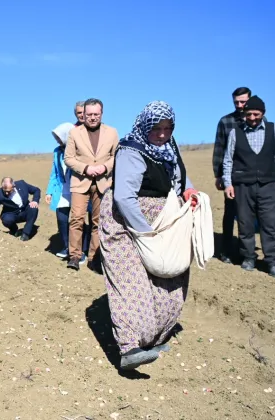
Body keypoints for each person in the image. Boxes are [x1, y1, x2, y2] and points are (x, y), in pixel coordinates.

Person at [99, 101, 199, 370]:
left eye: (168, 128)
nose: (163, 134)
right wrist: (146, 233)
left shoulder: (169, 146)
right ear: (145, 126)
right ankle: (130, 347)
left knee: (167, 279)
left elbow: (179, 174)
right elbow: (124, 197)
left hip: (163, 220)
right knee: (130, 281)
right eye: (157, 129)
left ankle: (155, 339)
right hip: (127, 223)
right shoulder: (132, 150)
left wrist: (187, 191)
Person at [223, 95, 275, 279]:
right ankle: (248, 257)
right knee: (245, 223)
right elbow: (228, 160)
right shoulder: (236, 132)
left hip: (268, 185)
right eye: (249, 114)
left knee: (270, 224)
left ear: (263, 113)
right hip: (242, 185)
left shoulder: (274, 130)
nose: (252, 118)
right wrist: (228, 183)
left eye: (256, 114)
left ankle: (273, 262)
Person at [64, 98, 119, 271]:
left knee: (98, 221)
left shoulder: (112, 132)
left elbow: (116, 157)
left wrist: (104, 167)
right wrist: (86, 168)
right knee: (76, 218)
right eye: (89, 114)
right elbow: (69, 159)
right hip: (81, 181)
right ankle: (74, 256)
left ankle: (94, 258)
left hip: (103, 182)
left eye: (96, 114)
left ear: (102, 114)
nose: (93, 117)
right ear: (84, 115)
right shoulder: (74, 133)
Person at [213, 87, 252, 264]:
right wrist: (218, 175)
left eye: (243, 101)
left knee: (250, 216)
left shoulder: (260, 121)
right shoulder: (226, 121)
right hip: (231, 176)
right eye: (236, 102)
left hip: (253, 176)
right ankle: (226, 251)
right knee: (230, 214)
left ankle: (246, 253)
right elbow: (219, 149)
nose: (239, 105)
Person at [45, 122, 82, 258]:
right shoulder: (57, 152)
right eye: (56, 137)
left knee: (77, 220)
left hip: (78, 189)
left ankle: (80, 249)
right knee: (61, 218)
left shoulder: (79, 150)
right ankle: (67, 246)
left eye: (58, 137)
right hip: (61, 189)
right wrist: (49, 191)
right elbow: (54, 173)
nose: (57, 140)